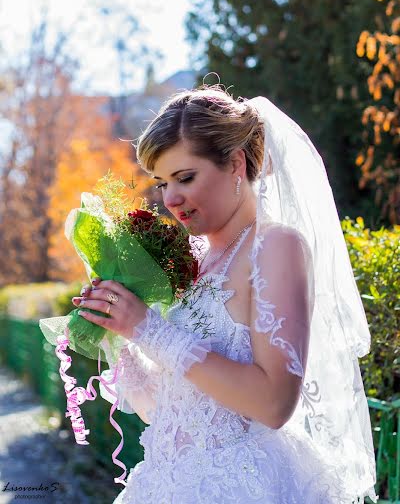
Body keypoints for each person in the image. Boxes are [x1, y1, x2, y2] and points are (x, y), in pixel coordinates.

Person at [72, 87, 378, 503]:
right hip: (167, 484)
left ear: (235, 164)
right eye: (162, 183)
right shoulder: (190, 261)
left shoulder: (274, 247)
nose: (170, 199)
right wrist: (119, 329)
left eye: (185, 178)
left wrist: (150, 330)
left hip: (246, 485)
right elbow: (170, 411)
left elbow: (273, 404)